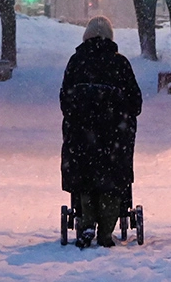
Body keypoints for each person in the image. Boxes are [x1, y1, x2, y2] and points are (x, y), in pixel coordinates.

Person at [60, 16, 142, 248]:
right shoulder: (120, 64)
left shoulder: (76, 62)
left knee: (85, 180)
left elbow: (65, 101)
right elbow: (135, 103)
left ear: (86, 35)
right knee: (111, 182)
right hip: (115, 138)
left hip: (82, 137)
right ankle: (106, 231)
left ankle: (86, 223)